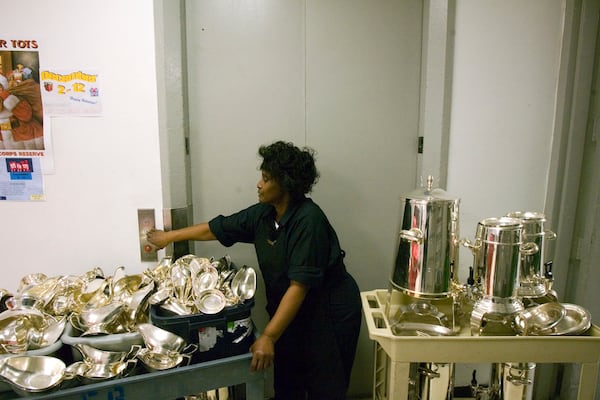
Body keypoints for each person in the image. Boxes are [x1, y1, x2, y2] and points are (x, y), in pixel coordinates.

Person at [147, 140, 362, 400]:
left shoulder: (309, 220)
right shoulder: (264, 215)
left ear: (286, 184)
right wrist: (168, 237)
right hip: (291, 312)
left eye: (267, 178)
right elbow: (217, 228)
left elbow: (299, 287)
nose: (259, 184)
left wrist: (269, 335)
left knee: (325, 386)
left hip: (328, 312)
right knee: (288, 383)